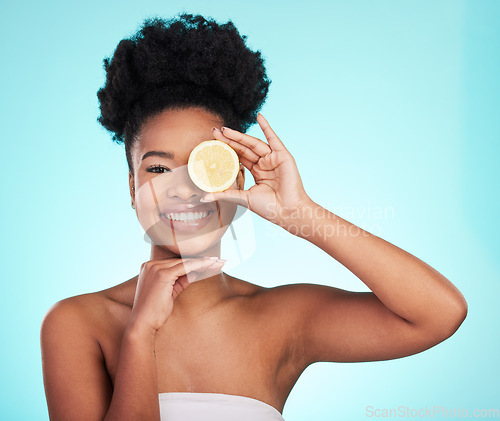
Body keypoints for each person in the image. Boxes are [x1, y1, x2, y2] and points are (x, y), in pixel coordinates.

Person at [40, 13, 468, 421]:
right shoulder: (78, 323)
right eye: (157, 168)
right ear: (133, 189)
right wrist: (139, 334)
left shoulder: (281, 318)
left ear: (238, 176)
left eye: (205, 166)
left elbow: (439, 314)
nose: (184, 189)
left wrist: (302, 213)